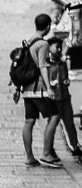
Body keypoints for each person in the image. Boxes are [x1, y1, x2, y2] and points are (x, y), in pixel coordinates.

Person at [21, 14, 62, 169]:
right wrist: (49, 88)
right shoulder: (43, 44)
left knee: (29, 121)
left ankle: (30, 158)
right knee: (54, 116)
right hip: (38, 89)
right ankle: (46, 154)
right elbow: (42, 66)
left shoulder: (28, 41)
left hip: (26, 88)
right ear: (48, 26)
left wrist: (19, 88)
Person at [46, 38, 82, 157]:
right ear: (49, 48)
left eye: (60, 47)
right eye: (56, 47)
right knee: (51, 126)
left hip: (65, 98)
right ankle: (49, 149)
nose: (58, 50)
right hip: (53, 100)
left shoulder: (62, 63)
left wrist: (66, 82)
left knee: (70, 124)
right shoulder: (46, 65)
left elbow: (65, 77)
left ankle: (75, 147)